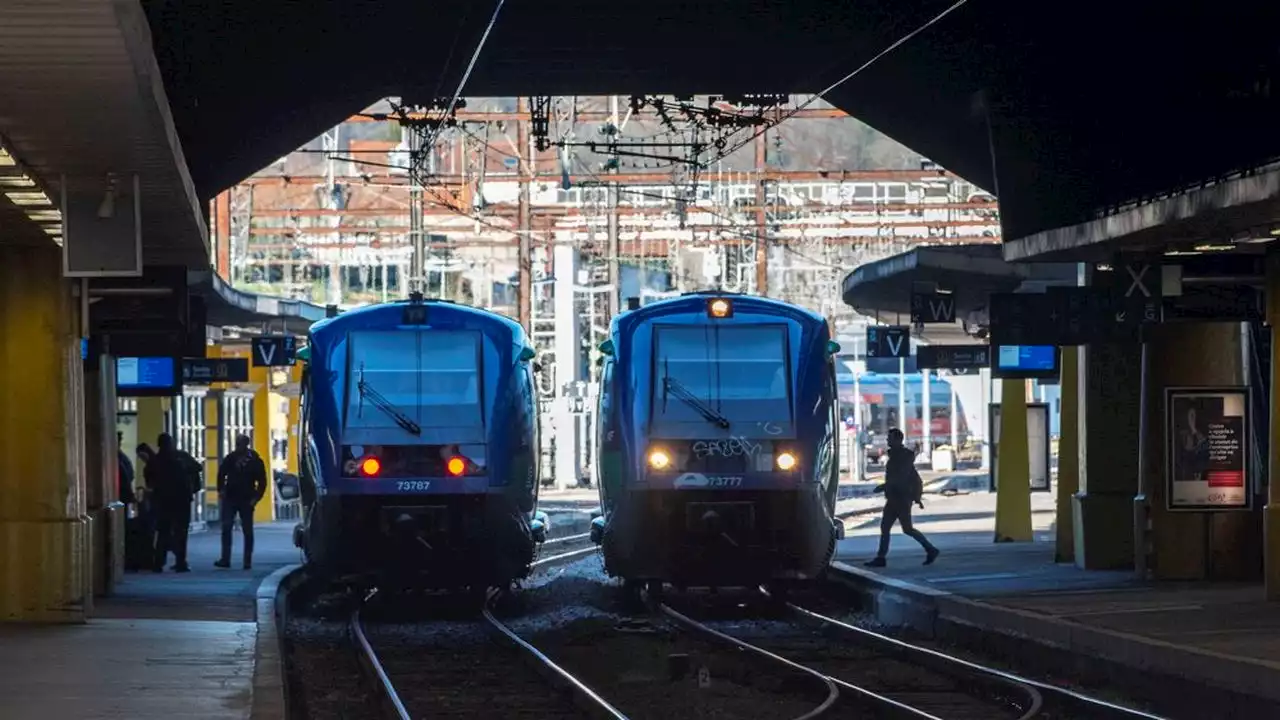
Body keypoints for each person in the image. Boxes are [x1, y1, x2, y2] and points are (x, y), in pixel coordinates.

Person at [865, 428, 939, 568]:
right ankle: (881, 557)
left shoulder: (903, 456)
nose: (887, 440)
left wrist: (884, 486)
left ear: (898, 440)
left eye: (890, 438)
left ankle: (931, 549)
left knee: (907, 529)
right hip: (894, 497)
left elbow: (901, 477)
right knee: (886, 527)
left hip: (901, 498)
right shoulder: (896, 455)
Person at [146, 434, 200, 572]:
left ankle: (159, 563)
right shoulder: (181, 456)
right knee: (181, 532)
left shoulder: (156, 460)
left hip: (164, 500)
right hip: (182, 499)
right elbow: (197, 467)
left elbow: (149, 479)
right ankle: (180, 562)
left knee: (163, 531)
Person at [215, 434, 268, 570]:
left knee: (247, 530)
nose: (238, 447)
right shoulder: (231, 458)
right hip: (230, 497)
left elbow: (262, 481)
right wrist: (221, 490)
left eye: (240, 444)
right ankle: (225, 558)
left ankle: (247, 560)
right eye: (237, 444)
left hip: (246, 498)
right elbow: (221, 473)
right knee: (227, 527)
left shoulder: (255, 461)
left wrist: (256, 498)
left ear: (246, 445)